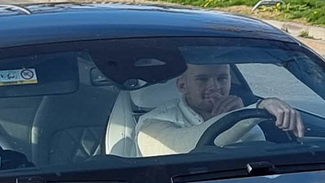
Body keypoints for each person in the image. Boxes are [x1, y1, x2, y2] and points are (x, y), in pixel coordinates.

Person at [123, 57, 305, 157]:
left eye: (222, 79)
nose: (215, 87)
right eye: (202, 80)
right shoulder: (151, 123)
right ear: (182, 86)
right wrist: (253, 110)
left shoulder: (241, 116)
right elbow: (182, 148)